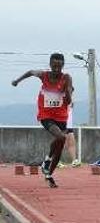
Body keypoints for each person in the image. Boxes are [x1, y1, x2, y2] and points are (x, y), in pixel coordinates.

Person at [10, 53, 74, 188]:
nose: (57, 68)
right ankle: (47, 160)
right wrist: (17, 80)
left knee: (60, 145)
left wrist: (68, 93)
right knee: (61, 137)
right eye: (54, 65)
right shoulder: (44, 75)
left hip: (61, 116)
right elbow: (30, 72)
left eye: (59, 65)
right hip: (46, 115)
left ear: (63, 65)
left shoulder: (66, 78)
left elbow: (68, 100)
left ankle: (49, 173)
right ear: (50, 64)